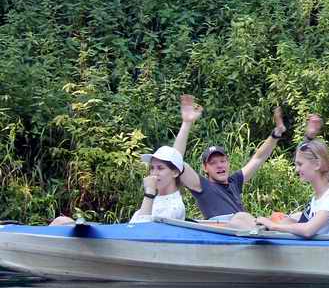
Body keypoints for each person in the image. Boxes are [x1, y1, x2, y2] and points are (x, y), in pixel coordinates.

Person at [172, 95, 298, 226]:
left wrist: (275, 134)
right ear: (205, 168)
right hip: (227, 231)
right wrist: (186, 123)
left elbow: (258, 158)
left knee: (290, 217)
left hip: (248, 230)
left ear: (228, 162)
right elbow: (175, 162)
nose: (219, 166)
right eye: (213, 163)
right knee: (242, 217)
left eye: (222, 161)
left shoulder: (234, 181)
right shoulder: (202, 186)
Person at [50, 145, 187, 226]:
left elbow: (141, 231)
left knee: (62, 222)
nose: (154, 173)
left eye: (160, 168)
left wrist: (149, 192)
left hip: (136, 246)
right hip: (126, 239)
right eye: (152, 168)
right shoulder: (159, 199)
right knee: (60, 221)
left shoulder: (174, 206)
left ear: (175, 173)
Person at [256, 139, 329, 237]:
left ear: (317, 164)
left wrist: (273, 226)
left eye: (300, 164)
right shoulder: (318, 198)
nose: (297, 169)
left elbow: (308, 230)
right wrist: (283, 220)